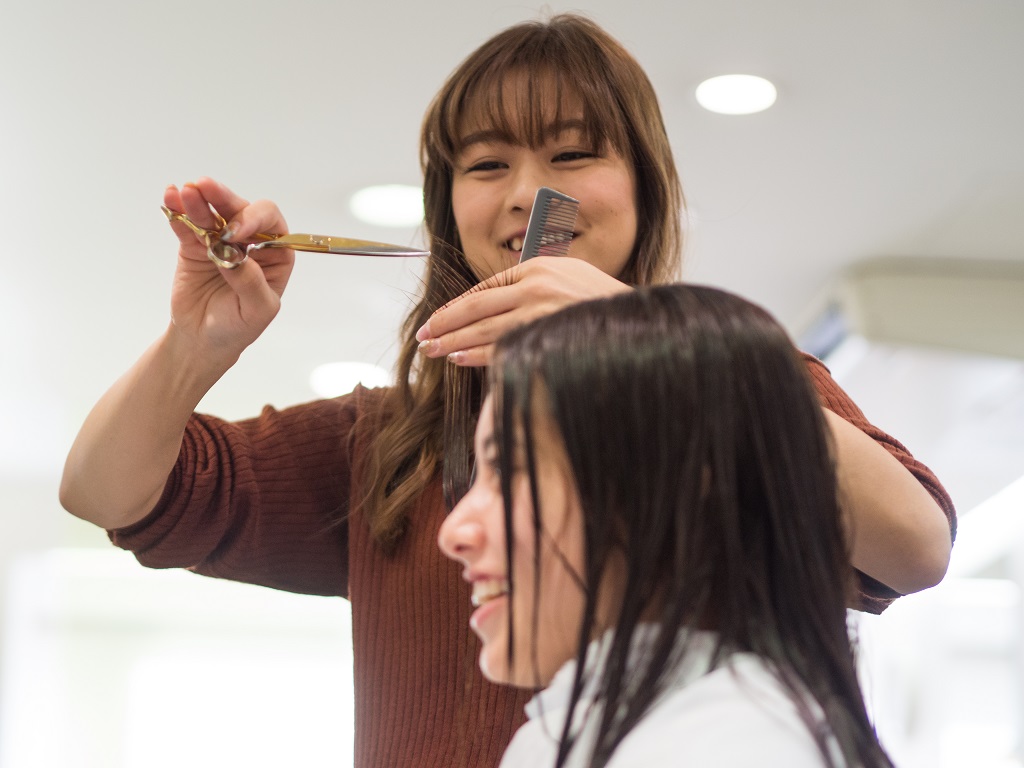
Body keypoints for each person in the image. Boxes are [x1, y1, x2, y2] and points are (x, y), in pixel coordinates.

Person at [59, 12, 955, 768]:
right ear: (447, 207)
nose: (530, 194)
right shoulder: (386, 441)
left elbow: (913, 548)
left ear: (646, 187)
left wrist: (661, 348)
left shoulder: (727, 385)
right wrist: (194, 344)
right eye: (486, 166)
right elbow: (109, 494)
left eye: (572, 154)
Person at [439, 284, 895, 768]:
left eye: (508, 469)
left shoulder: (732, 745)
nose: (453, 534)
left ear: (680, 483)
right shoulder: (594, 729)